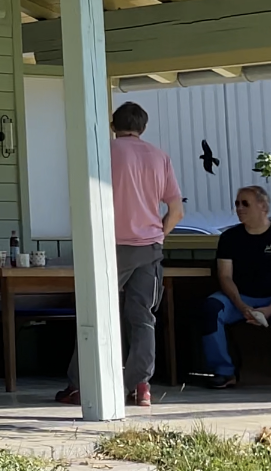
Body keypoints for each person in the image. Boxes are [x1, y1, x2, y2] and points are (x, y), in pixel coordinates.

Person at [57, 101, 182, 409]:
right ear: (143, 127)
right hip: (149, 247)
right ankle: (140, 386)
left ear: (113, 125)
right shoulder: (160, 157)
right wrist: (158, 236)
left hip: (109, 245)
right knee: (143, 318)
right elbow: (176, 210)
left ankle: (80, 385)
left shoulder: (103, 153)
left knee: (95, 314)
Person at [199, 185, 271, 393]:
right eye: (237, 203)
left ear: (263, 206)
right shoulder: (229, 238)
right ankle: (224, 372)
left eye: (245, 203)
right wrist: (241, 305)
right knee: (211, 308)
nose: (239, 208)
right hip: (240, 300)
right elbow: (224, 276)